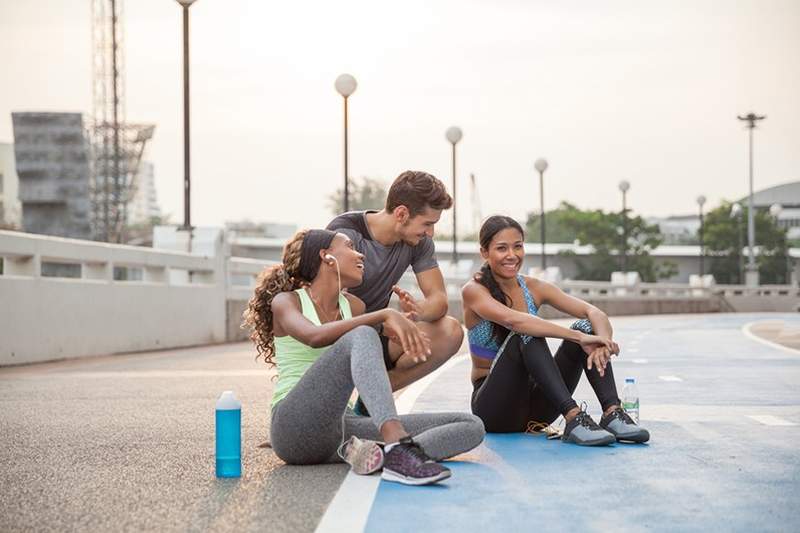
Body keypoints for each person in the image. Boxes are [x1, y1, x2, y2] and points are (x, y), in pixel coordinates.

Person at [243, 228, 484, 485]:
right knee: (361, 334)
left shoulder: (354, 307)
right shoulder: (287, 301)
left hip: (340, 432)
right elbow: (313, 336)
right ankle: (397, 445)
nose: (360, 255)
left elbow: (369, 341)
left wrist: (398, 326)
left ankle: (385, 454)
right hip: (292, 426)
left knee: (470, 425)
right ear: (327, 257)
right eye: (349, 246)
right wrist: (382, 317)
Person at [461, 216, 650, 446]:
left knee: (586, 325)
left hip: (537, 410)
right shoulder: (474, 290)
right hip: (495, 409)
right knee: (529, 331)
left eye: (518, 246)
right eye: (502, 248)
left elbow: (594, 312)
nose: (512, 255)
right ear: (484, 253)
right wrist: (579, 338)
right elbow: (515, 321)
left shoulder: (533, 287)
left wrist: (602, 343)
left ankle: (612, 412)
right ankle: (573, 418)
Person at [327, 170, 464, 401]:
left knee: (450, 331)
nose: (430, 232)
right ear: (401, 213)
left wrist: (418, 312)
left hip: (380, 336)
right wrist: (387, 318)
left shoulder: (419, 243)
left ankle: (373, 398)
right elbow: (330, 307)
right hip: (339, 340)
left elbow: (439, 299)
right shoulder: (345, 234)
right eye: (427, 224)